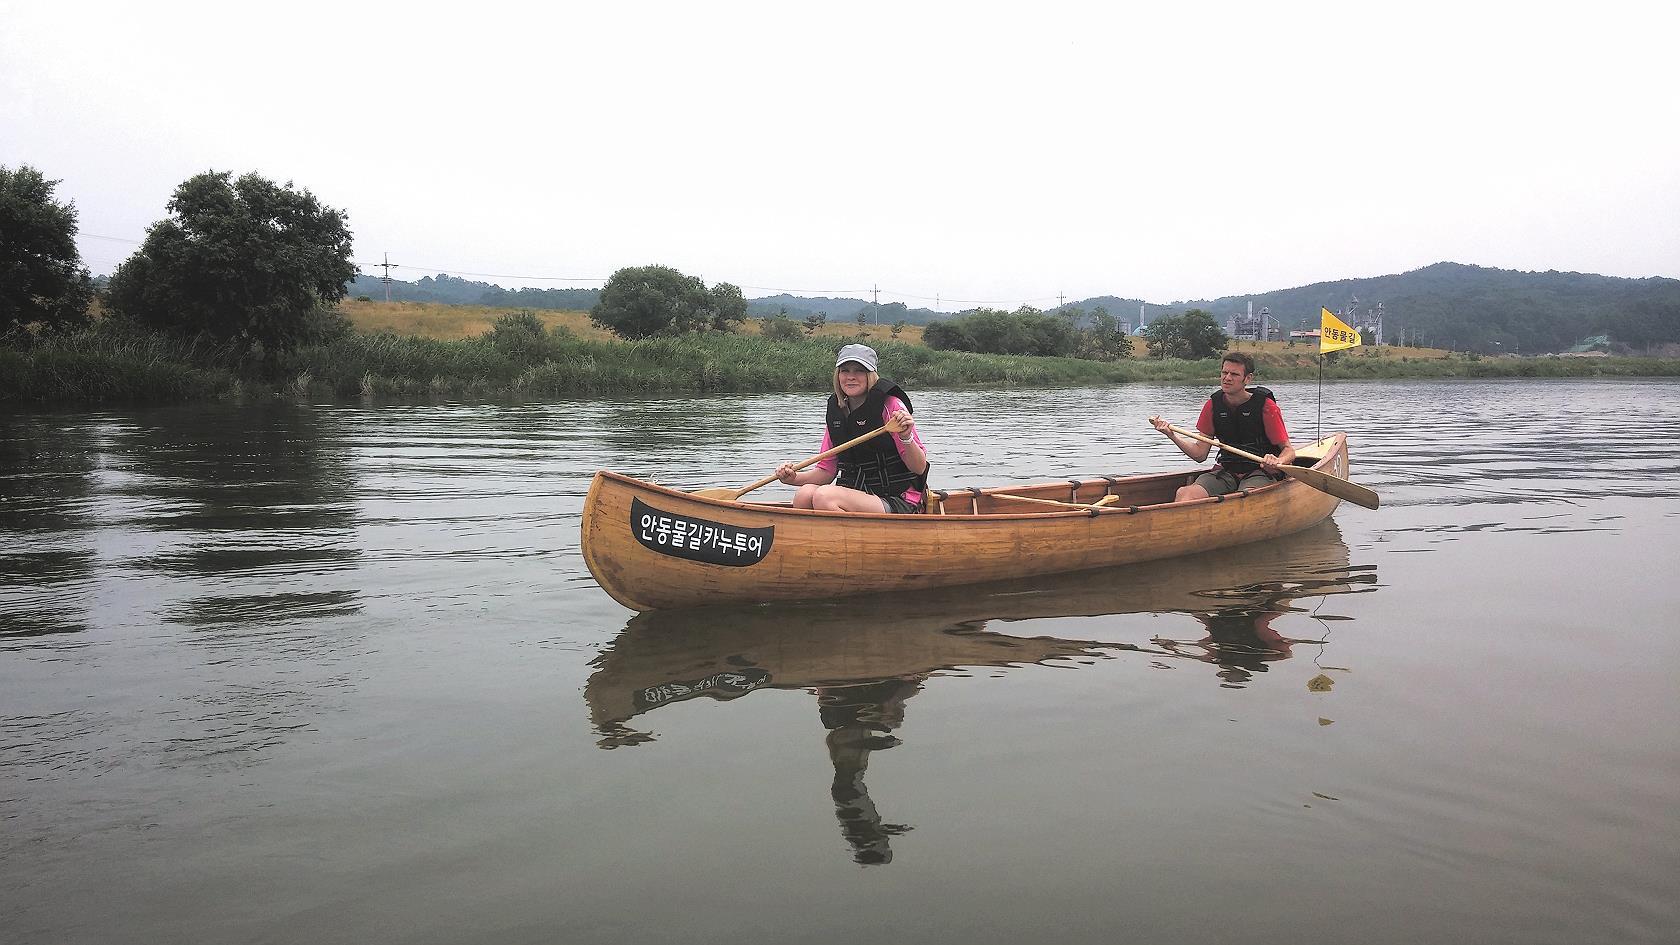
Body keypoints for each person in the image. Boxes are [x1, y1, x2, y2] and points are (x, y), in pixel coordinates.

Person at [775, 343, 929, 513]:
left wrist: (906, 437)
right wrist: (793, 478)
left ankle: (853, 538)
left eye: (859, 370)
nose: (851, 377)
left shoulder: (891, 406)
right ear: (838, 375)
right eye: (845, 370)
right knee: (804, 494)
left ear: (870, 375)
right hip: (857, 493)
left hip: (898, 498)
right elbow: (827, 471)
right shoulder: (837, 412)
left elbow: (919, 467)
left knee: (825, 496)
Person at [1149, 351, 1296, 503]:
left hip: (1261, 472)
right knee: (1185, 494)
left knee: (1245, 498)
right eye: (1224, 372)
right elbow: (1200, 454)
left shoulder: (1266, 407)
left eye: (1234, 374)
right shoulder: (1213, 405)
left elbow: (1289, 451)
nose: (1227, 378)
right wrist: (1171, 435)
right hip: (1227, 472)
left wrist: (1278, 461)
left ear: (1248, 378)